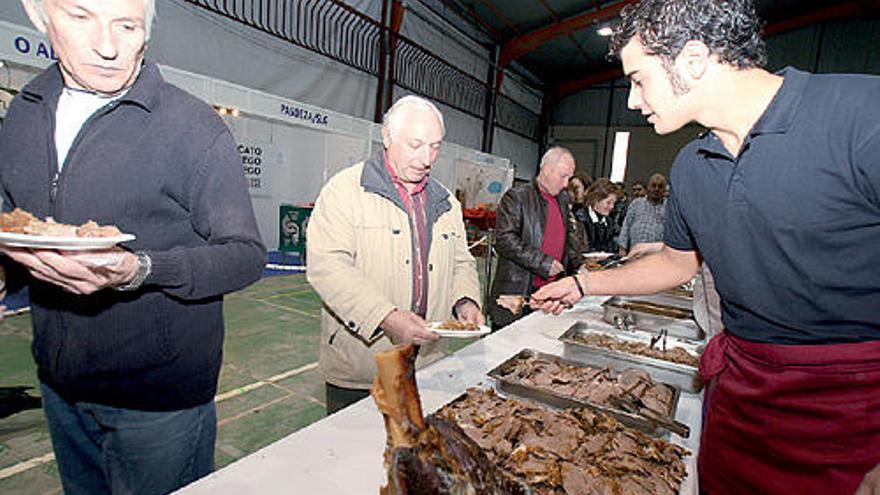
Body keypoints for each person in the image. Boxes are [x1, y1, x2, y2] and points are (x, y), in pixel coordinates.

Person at [531, 0, 880, 493]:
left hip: (853, 421)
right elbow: (676, 263)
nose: (632, 100)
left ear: (692, 60)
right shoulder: (692, 166)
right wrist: (582, 283)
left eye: (638, 79)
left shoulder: (861, 117)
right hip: (741, 405)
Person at [0, 0, 267, 493]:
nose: (106, 46)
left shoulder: (193, 128)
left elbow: (246, 254)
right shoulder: (23, 113)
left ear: (146, 33)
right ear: (40, 16)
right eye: (81, 17)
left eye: (126, 25)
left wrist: (140, 269)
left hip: (159, 400)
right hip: (59, 384)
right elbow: (20, 222)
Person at [306, 95, 483, 415]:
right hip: (363, 368)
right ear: (387, 137)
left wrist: (465, 301)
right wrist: (385, 317)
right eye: (415, 144)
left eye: (435, 146)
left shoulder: (446, 202)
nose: (427, 158)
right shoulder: (345, 191)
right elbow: (328, 266)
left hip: (428, 362)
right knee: (352, 459)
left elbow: (461, 262)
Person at [486, 147, 580, 330]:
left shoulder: (563, 200)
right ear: (546, 170)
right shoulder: (516, 197)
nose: (566, 183)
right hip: (518, 293)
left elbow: (567, 240)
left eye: (569, 177)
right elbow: (505, 239)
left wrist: (578, 263)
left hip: (551, 295)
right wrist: (543, 263)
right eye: (563, 176)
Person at [617, 172, 667, 256]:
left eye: (660, 186)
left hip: (657, 256)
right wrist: (622, 248)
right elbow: (626, 225)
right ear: (648, 187)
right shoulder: (636, 203)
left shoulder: (669, 208)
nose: (656, 189)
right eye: (653, 185)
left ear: (664, 190)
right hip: (634, 253)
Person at [576, 178, 619, 254]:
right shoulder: (580, 219)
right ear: (595, 200)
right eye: (608, 203)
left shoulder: (610, 223)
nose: (612, 206)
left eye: (614, 203)